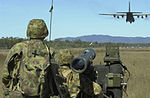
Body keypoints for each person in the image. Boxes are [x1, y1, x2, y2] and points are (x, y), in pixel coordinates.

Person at [2, 19, 71, 98]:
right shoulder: (50, 51)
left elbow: (6, 75)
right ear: (45, 33)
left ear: (28, 31)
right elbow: (57, 77)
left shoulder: (18, 48)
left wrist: (10, 88)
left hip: (20, 94)